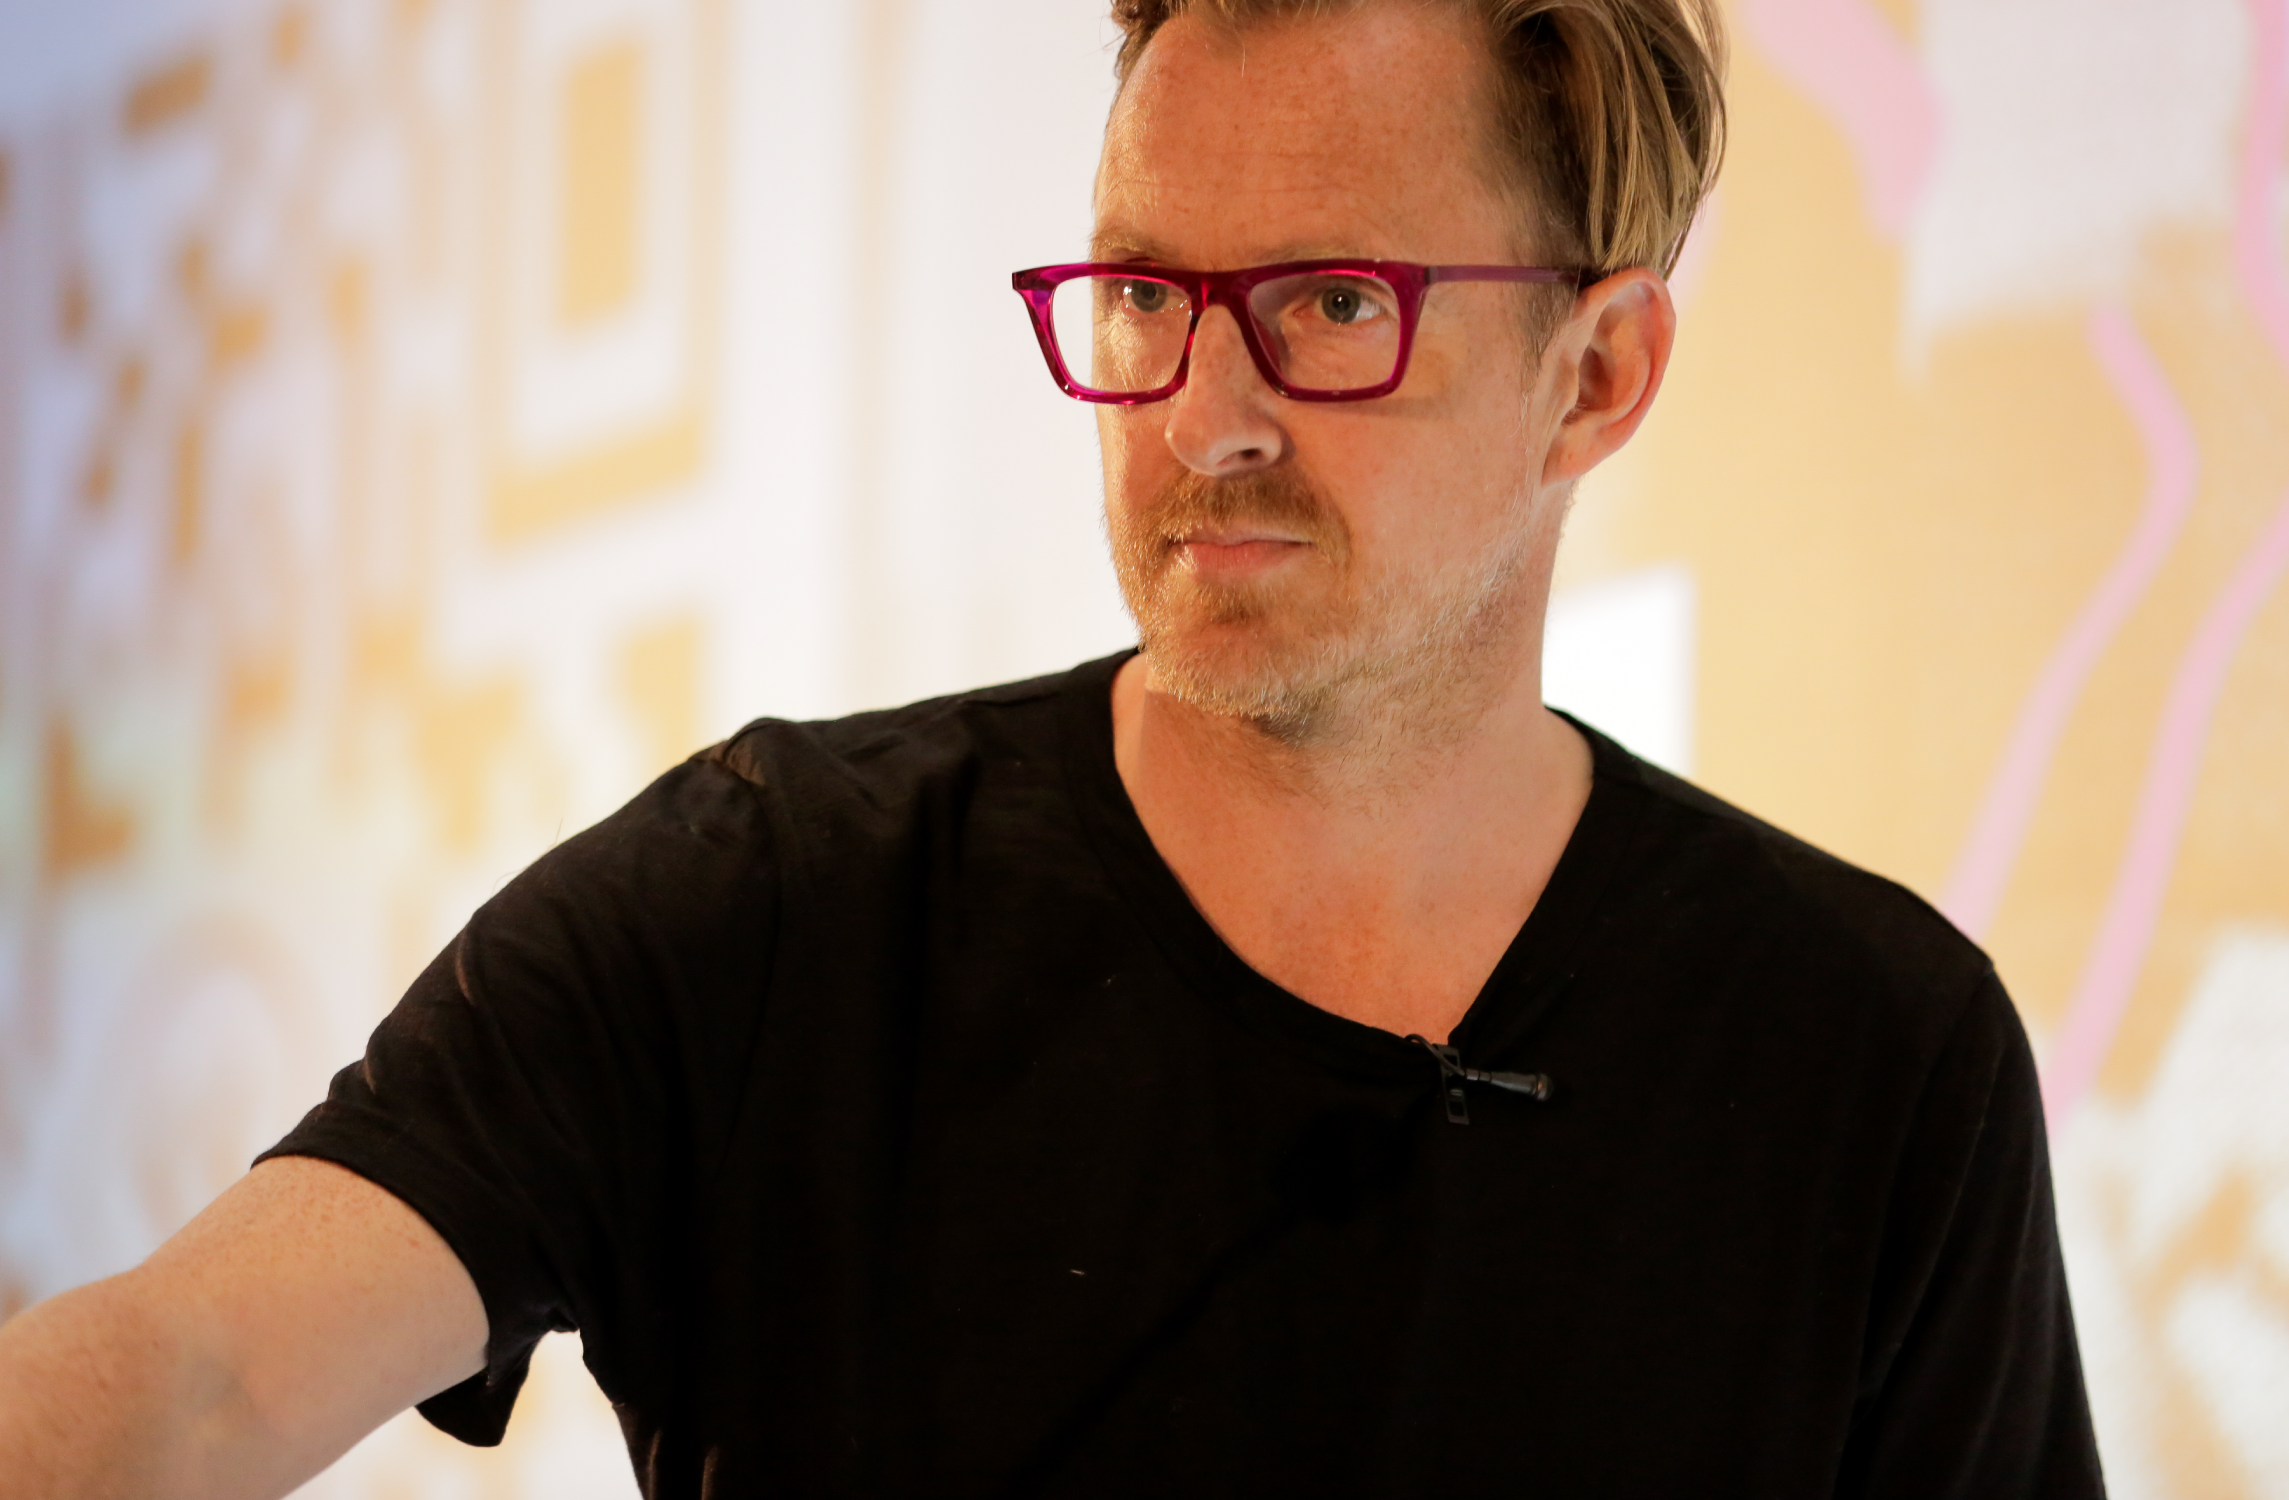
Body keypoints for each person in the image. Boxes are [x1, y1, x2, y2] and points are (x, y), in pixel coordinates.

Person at [0, 0, 2105, 1494]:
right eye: (1143, 296)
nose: (1202, 419)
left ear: (1598, 373)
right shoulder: (769, 911)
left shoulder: (1868, 1059)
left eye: (1332, 305)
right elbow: (193, 1377)